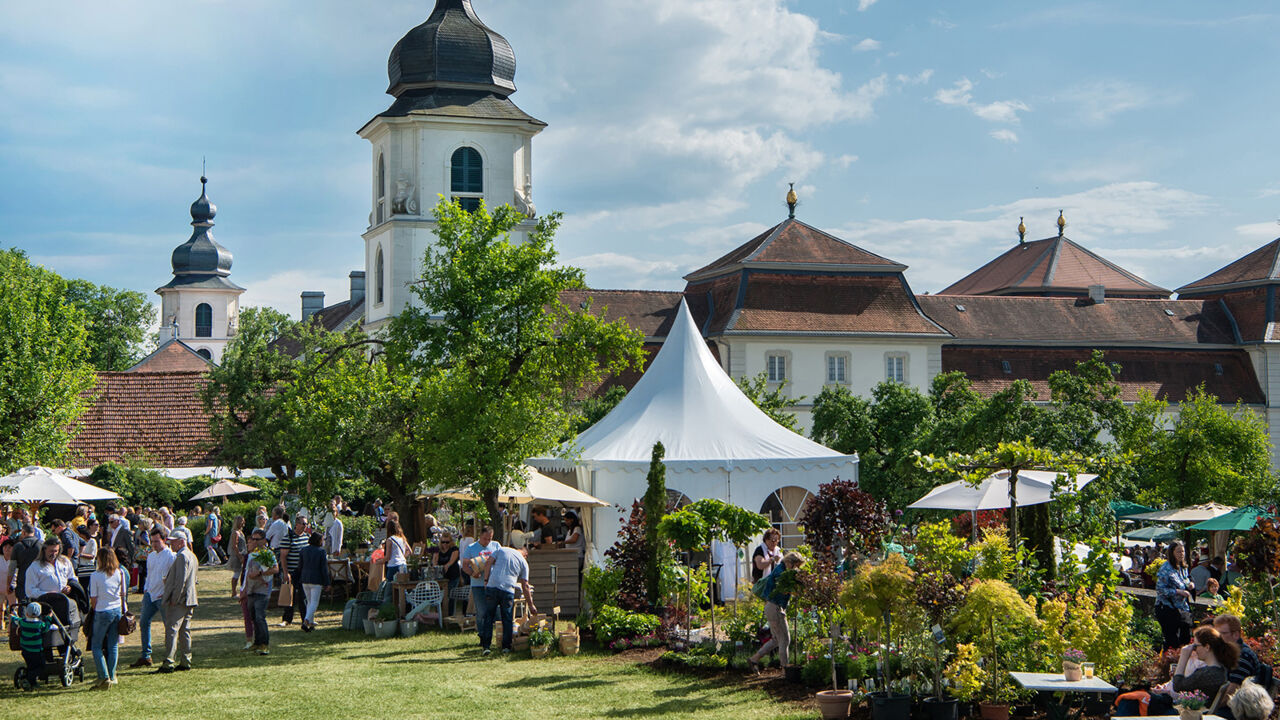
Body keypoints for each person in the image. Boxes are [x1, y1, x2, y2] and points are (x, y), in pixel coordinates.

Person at [748, 551, 805, 673]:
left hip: (772, 607)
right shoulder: (781, 573)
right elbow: (784, 588)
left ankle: (754, 659)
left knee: (776, 639)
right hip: (775, 607)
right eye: (796, 565)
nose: (796, 569)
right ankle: (785, 669)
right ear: (789, 562)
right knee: (785, 639)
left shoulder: (781, 569)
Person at [129, 527, 175, 668]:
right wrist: (146, 590)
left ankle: (170, 656)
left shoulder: (171, 556)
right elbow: (149, 575)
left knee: (169, 626)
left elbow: (173, 578)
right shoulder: (151, 556)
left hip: (163, 596)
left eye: (157, 541)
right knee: (144, 622)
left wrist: (167, 593)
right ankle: (146, 655)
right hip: (150, 594)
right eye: (152, 541)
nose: (154, 544)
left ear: (164, 540)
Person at [481, 544, 536, 655]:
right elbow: (525, 585)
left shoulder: (501, 549)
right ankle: (506, 647)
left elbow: (488, 563)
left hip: (492, 586)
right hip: (508, 590)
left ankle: (486, 646)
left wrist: (486, 580)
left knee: (488, 617)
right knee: (507, 618)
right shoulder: (523, 562)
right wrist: (531, 605)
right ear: (525, 554)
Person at [156, 531, 198, 673]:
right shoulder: (192, 555)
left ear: (181, 541)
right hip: (190, 599)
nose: (171, 544)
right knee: (185, 630)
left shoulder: (181, 556)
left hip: (180, 600)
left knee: (172, 630)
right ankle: (186, 660)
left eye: (173, 541)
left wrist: (174, 599)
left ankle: (168, 662)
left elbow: (181, 580)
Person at [88, 546, 128, 689]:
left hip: (102, 610)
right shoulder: (119, 572)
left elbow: (93, 598)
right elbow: (123, 593)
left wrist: (94, 610)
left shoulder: (95, 575)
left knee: (96, 645)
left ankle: (104, 676)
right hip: (116, 609)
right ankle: (112, 675)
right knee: (113, 645)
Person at [1171, 625, 1241, 701]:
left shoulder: (1208, 674)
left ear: (1207, 647)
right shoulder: (1220, 668)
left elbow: (1177, 686)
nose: (1194, 650)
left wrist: (1183, 657)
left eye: (1196, 646)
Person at [461, 525, 500, 645]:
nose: (487, 541)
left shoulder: (496, 545)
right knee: (481, 611)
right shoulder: (471, 547)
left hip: (493, 584)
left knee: (496, 610)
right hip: (478, 584)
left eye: (489, 538)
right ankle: (482, 636)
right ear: (480, 536)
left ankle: (498, 636)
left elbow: (501, 560)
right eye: (485, 538)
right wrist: (472, 574)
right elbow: (464, 565)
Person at [241, 528, 278, 655]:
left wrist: (260, 573)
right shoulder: (252, 554)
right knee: (253, 617)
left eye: (257, 539)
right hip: (251, 590)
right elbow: (247, 572)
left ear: (263, 540)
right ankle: (257, 642)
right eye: (253, 539)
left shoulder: (268, 553)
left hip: (262, 590)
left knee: (260, 616)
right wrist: (244, 589)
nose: (254, 541)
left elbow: (275, 569)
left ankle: (264, 644)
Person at [1214, 614, 1261, 707]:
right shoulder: (1228, 652)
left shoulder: (1242, 655)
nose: (1217, 638)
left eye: (1222, 634)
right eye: (1216, 634)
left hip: (1239, 708)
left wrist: (1211, 709)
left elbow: (1231, 693)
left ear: (1236, 635)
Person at [1156, 541, 1195, 649]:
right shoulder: (1166, 568)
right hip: (1167, 608)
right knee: (1172, 643)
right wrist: (1178, 591)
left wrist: (1190, 584)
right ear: (1172, 553)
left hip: (1182, 608)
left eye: (1182, 551)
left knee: (1186, 639)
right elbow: (1160, 589)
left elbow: (1185, 580)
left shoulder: (1183, 567)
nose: (1181, 554)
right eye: (1178, 551)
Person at [10, 602, 51, 688]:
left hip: (25, 650)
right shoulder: (39, 624)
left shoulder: (23, 622)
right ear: (39, 614)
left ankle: (32, 682)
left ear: (27, 613)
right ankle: (30, 678)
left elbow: (16, 620)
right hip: (36, 651)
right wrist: (48, 618)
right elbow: (46, 628)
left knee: (31, 665)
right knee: (41, 667)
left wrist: (12, 616)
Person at [279, 515, 310, 627]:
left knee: (303, 596)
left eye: (306, 524)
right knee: (289, 595)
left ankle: (306, 618)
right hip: (291, 571)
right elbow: (283, 557)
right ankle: (287, 619)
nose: (305, 526)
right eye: (303, 524)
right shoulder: (288, 538)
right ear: (296, 524)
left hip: (303, 572)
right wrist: (285, 572)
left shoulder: (307, 537)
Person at [298, 531, 330, 632]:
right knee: (314, 602)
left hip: (305, 578)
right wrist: (327, 582)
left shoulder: (303, 550)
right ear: (319, 540)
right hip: (316, 579)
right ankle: (306, 620)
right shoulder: (321, 551)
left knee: (309, 601)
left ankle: (311, 623)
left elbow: (300, 566)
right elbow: (324, 569)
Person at [9, 523, 40, 600]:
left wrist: (8, 584)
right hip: (38, 577)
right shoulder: (41, 545)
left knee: (22, 602)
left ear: (23, 532)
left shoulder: (18, 546)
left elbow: (12, 567)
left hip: (23, 577)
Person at [433, 532, 461, 614]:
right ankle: (439, 613)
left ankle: (450, 614)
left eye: (447, 542)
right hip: (441, 577)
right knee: (440, 595)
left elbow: (451, 561)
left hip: (453, 575)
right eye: (443, 542)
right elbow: (434, 561)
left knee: (450, 595)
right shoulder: (437, 550)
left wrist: (446, 566)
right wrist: (436, 568)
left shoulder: (454, 549)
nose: (445, 544)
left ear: (450, 542)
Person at [382, 518, 410, 582]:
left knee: (390, 585)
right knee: (403, 584)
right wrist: (402, 556)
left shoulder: (390, 540)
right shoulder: (402, 538)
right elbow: (409, 551)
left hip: (393, 565)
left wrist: (379, 561)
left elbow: (388, 557)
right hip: (403, 564)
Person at [228, 516, 247, 597]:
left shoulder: (240, 532)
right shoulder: (235, 532)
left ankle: (238, 591)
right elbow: (234, 545)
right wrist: (240, 556)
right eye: (241, 521)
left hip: (242, 554)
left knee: (239, 573)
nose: (243, 523)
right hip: (236, 556)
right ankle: (234, 592)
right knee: (237, 573)